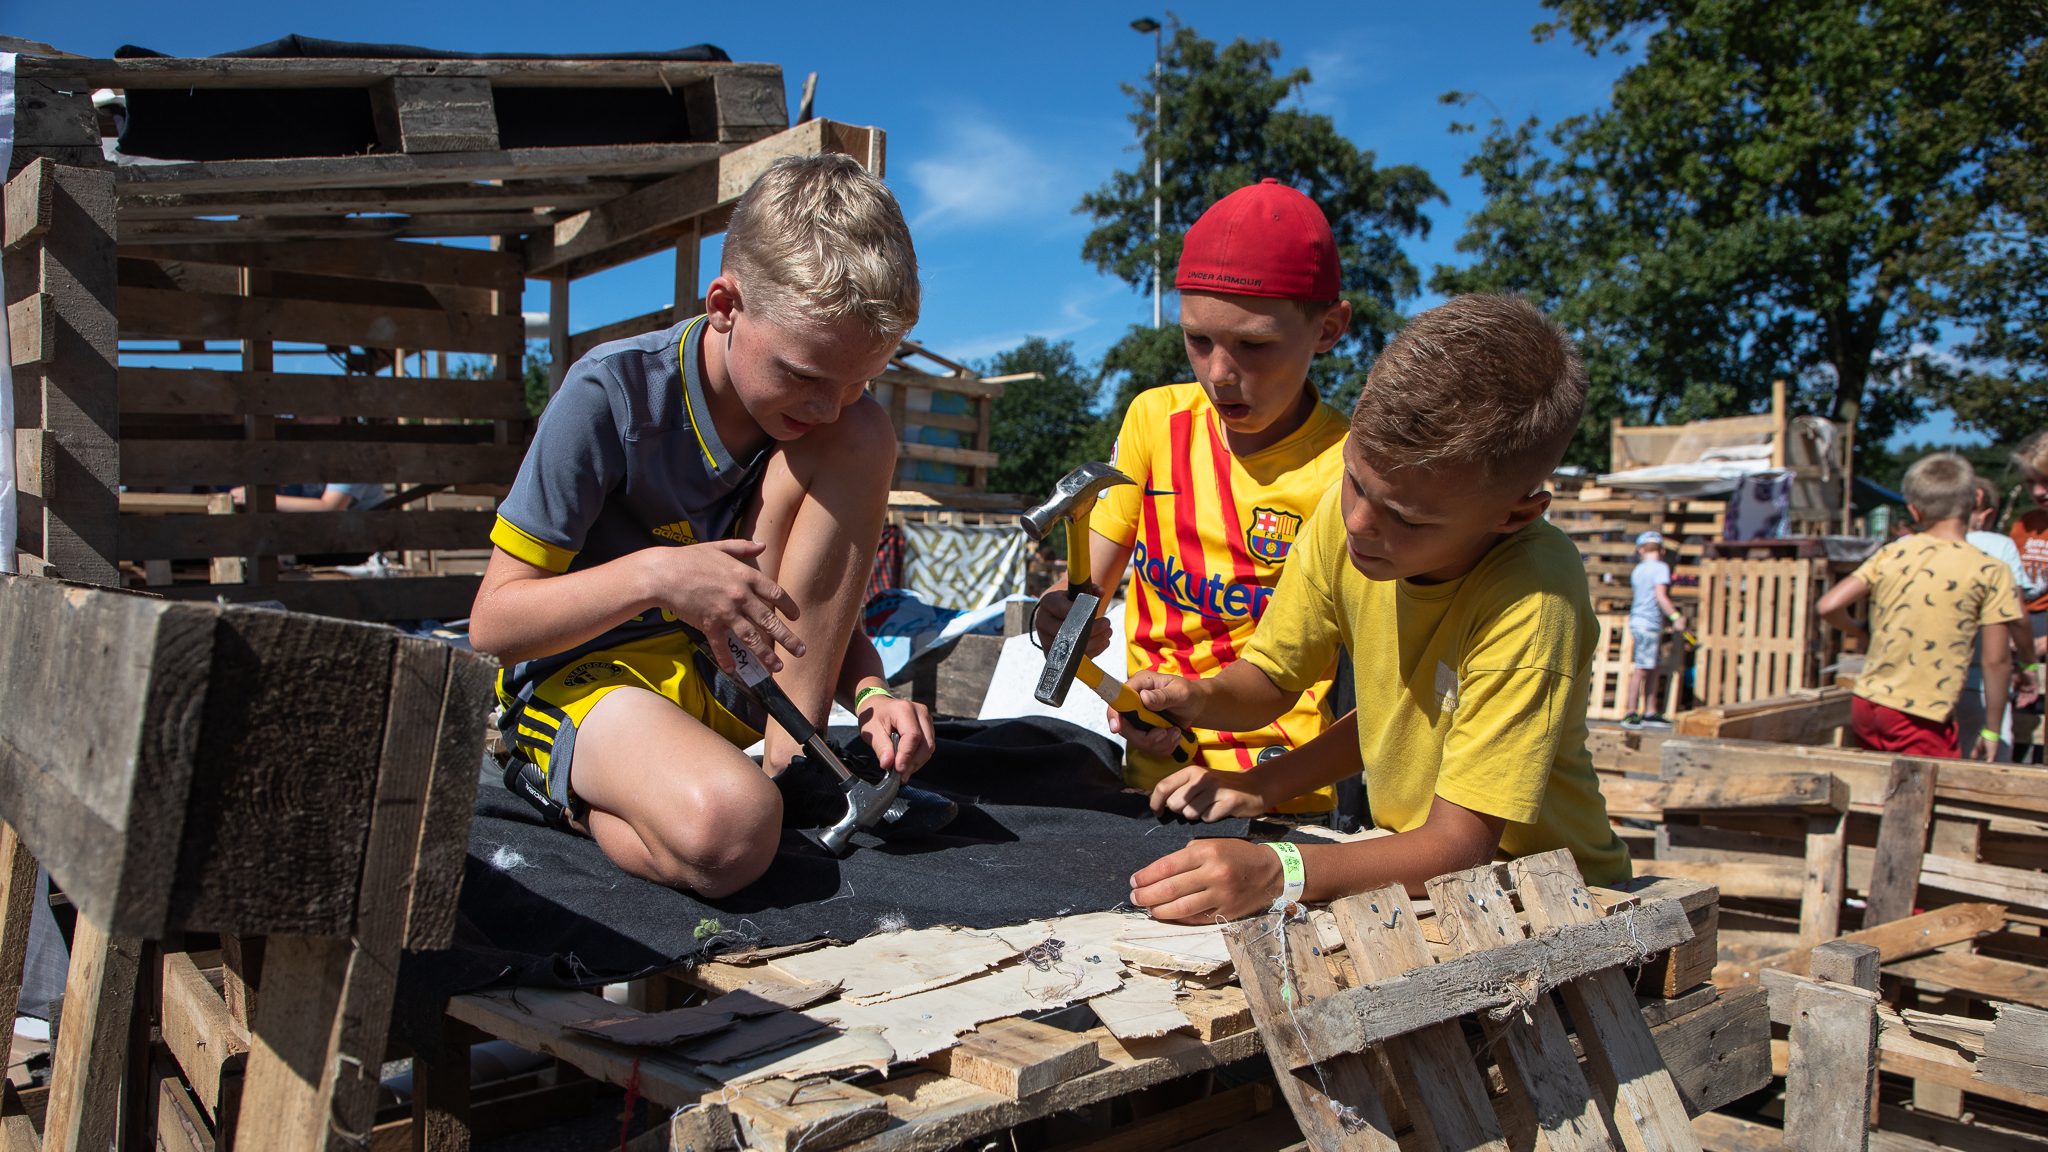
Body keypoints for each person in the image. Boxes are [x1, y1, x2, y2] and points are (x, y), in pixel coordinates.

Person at [467, 155, 940, 897]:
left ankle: (799, 770)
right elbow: (493, 624)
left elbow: (801, 598)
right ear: (725, 305)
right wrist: (658, 574)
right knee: (732, 832)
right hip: (593, 680)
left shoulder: (827, 419)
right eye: (807, 377)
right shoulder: (611, 396)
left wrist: (874, 692)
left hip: (729, 681)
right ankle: (559, 784)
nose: (828, 406)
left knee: (867, 435)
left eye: (859, 381)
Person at [1116, 294, 1631, 922]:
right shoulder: (1351, 519)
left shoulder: (1531, 600)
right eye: (1355, 479)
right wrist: (1207, 708)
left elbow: (1461, 844)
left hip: (1553, 904)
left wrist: (1284, 872)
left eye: (1407, 518)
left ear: (1514, 515)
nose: (1358, 523)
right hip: (1417, 880)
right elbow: (1297, 687)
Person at [1033, 179, 1353, 816]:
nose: (1218, 374)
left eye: (1253, 345)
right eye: (1198, 340)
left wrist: (1264, 790)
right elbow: (1086, 592)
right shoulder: (1155, 421)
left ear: (1330, 328)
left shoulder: (1349, 469)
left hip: (1279, 793)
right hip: (1149, 775)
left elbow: (1382, 692)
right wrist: (1058, 618)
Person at [1817, 454, 2024, 761]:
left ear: (1914, 509)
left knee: (1876, 791)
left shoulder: (1893, 553)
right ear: (1972, 504)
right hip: (1921, 713)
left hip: (1867, 703)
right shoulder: (1989, 569)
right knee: (1933, 798)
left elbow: (1828, 605)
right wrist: (1992, 730)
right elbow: (1997, 661)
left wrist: (1860, 631)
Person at [1959, 476, 2039, 759]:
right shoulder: (2000, 546)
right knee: (1986, 768)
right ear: (1988, 512)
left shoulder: (1910, 544)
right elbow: (2016, 614)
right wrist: (2029, 662)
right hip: (1982, 681)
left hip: (1926, 680)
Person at [2009, 433, 2048, 761]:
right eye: (2030, 482)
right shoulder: (2026, 523)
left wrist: (2040, 644)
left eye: (2046, 481)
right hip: (2025, 624)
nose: (2038, 492)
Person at [1622, 530, 1682, 729]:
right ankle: (1631, 713)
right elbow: (1661, 596)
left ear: (1640, 550)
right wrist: (1676, 617)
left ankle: (1649, 711)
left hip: (1640, 622)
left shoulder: (1638, 569)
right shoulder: (1660, 568)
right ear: (1662, 550)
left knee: (1652, 667)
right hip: (1648, 624)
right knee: (1641, 668)